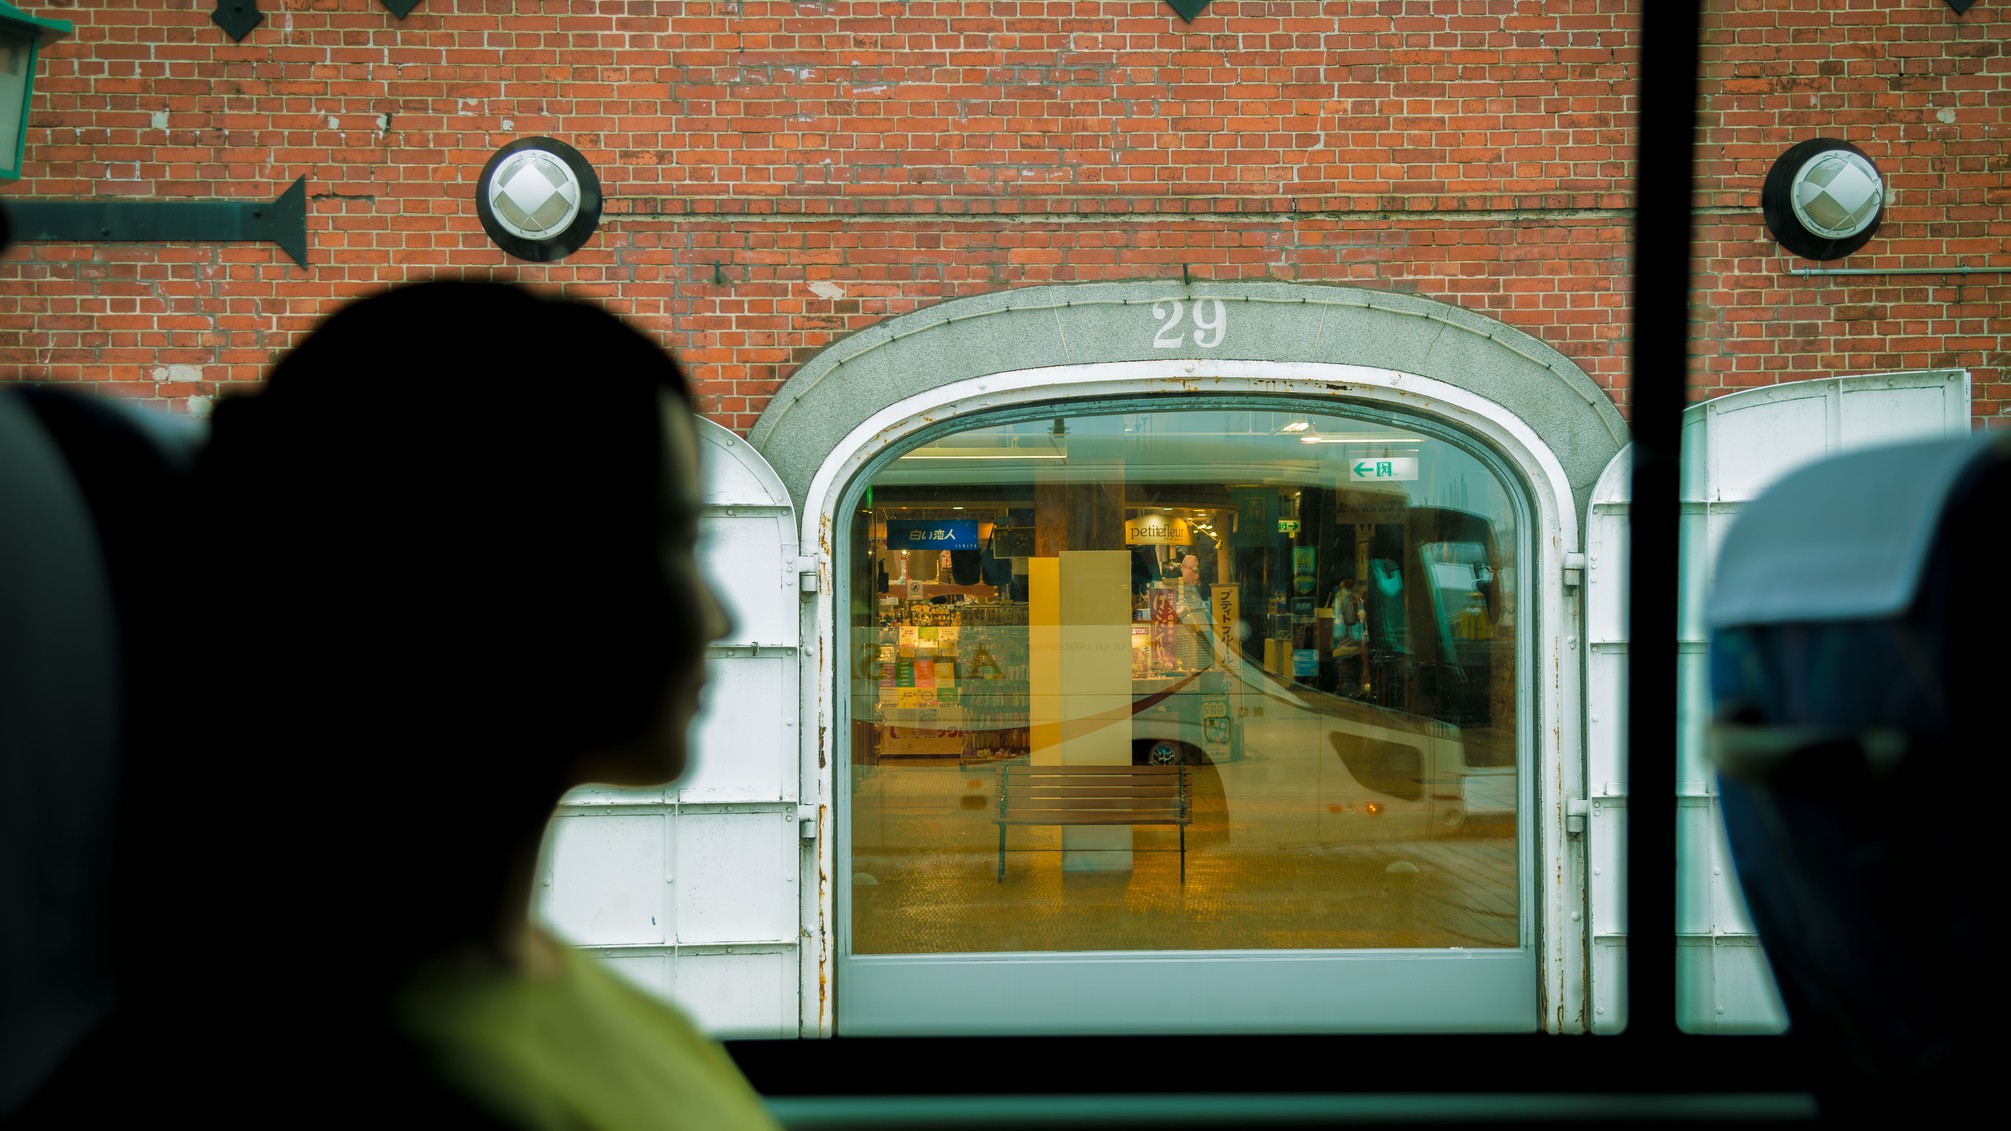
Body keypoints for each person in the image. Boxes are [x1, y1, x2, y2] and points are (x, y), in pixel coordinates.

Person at [148, 281, 778, 1129]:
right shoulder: (440, 1090)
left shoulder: (530, 977)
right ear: (495, 581)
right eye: (669, 541)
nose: (719, 615)